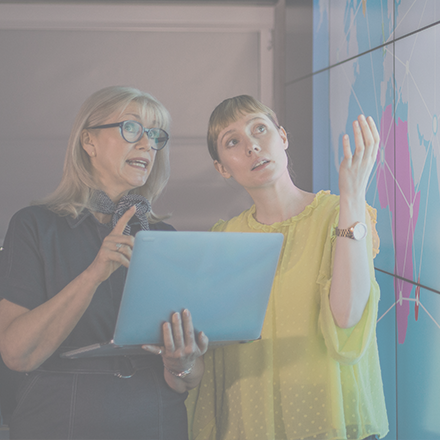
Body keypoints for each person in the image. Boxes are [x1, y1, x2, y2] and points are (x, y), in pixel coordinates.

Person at [0, 86, 208, 440]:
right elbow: (18, 355)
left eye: (155, 135)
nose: (147, 144)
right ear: (89, 142)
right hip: (59, 417)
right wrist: (94, 274)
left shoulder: (164, 236)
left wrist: (182, 364)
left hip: (156, 417)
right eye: (132, 128)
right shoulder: (33, 225)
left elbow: (188, 378)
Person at [186, 95, 388, 440]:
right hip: (250, 422)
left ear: (282, 137)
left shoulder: (342, 213)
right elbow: (211, 354)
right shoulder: (224, 239)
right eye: (233, 141)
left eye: (259, 129)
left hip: (330, 419)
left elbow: (347, 317)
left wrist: (352, 196)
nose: (251, 146)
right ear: (222, 167)